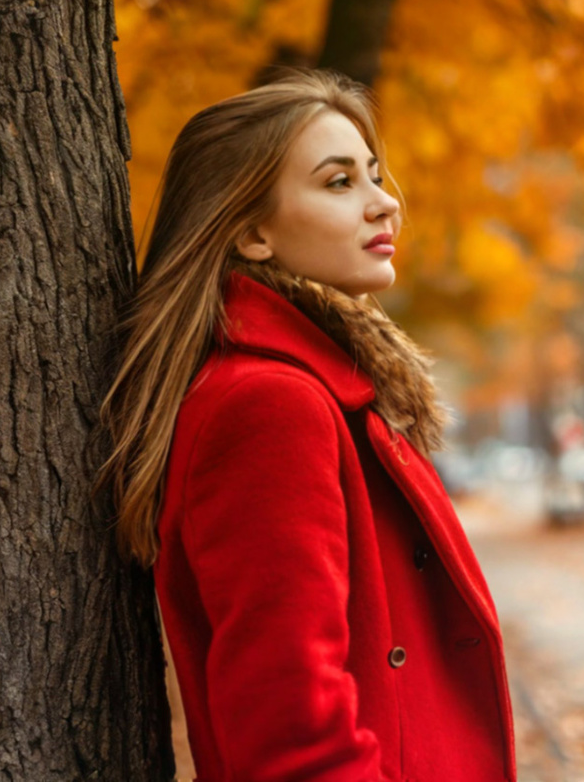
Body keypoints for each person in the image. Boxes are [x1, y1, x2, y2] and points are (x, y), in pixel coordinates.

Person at [98, 69, 515, 781]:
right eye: (338, 182)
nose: (385, 204)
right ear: (254, 232)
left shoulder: (321, 390)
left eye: (375, 177)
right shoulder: (269, 407)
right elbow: (290, 727)